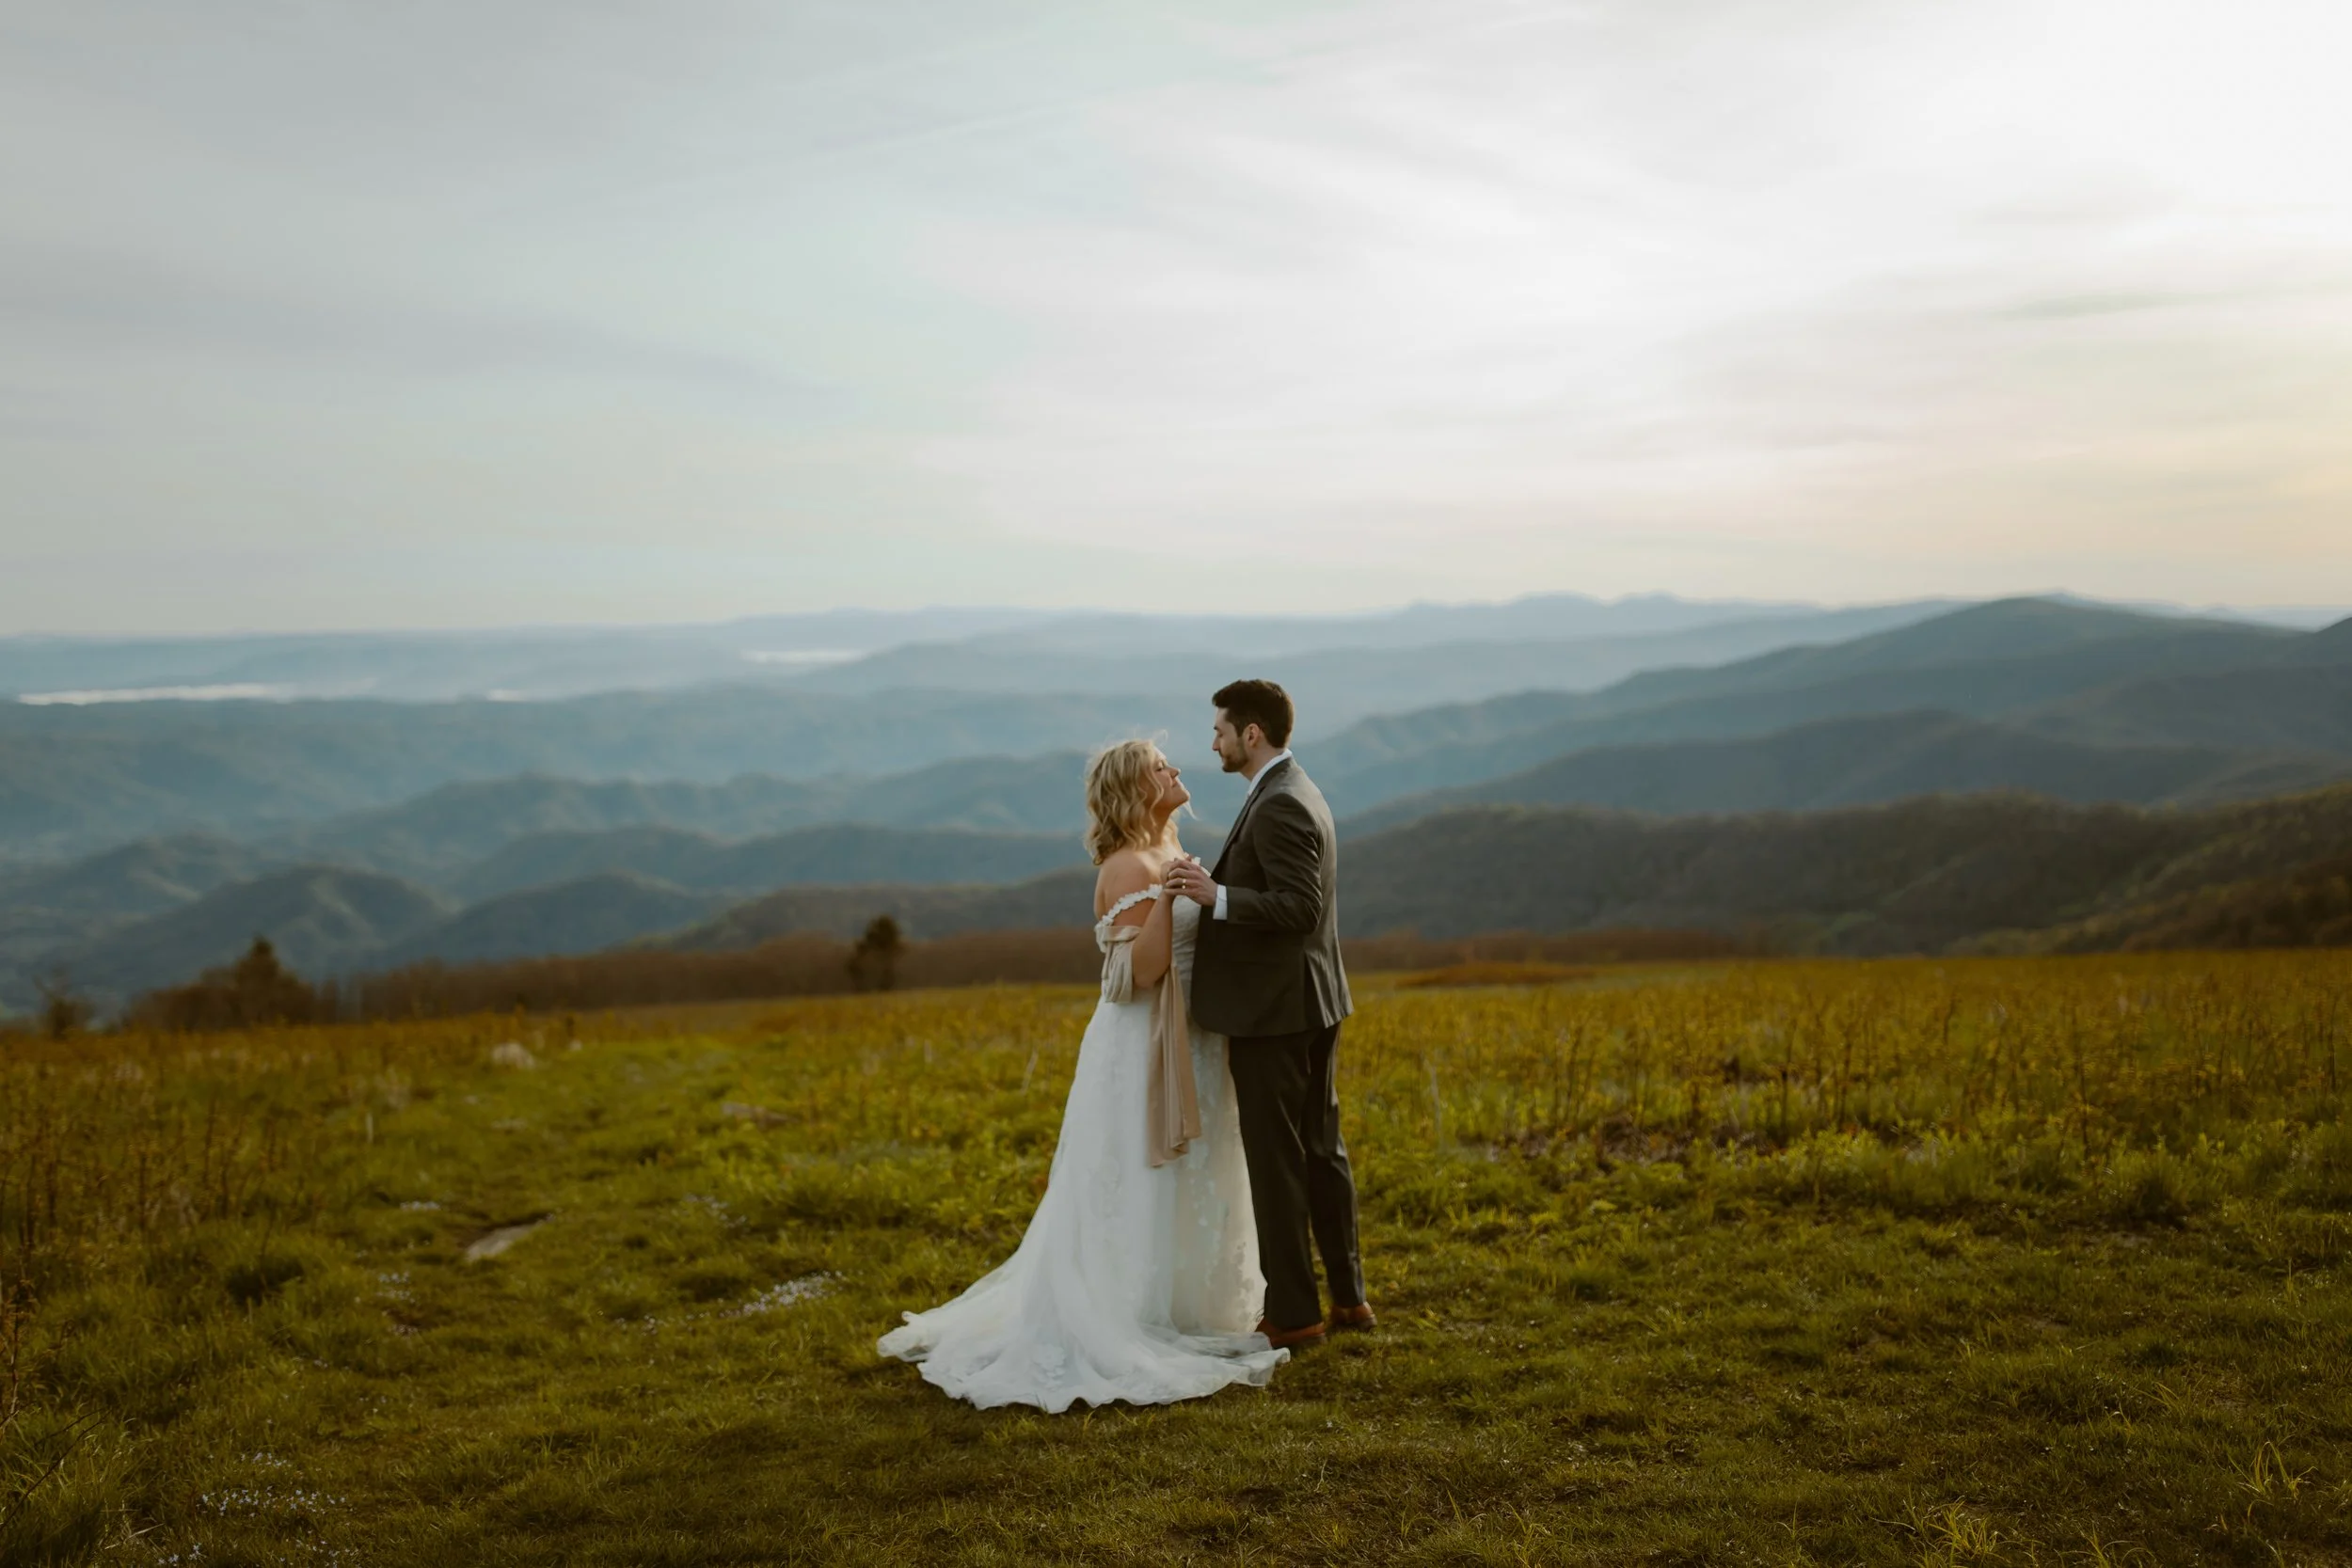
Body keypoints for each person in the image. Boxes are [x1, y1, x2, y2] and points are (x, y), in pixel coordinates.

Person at [877, 739, 1284, 1410]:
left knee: (1197, 1169)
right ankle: (1128, 1309)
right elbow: (1134, 975)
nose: (1177, 771)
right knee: (1136, 1171)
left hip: (1193, 1037)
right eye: (1161, 767)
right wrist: (1169, 899)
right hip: (1143, 1044)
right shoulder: (1127, 867)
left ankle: (1189, 1305)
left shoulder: (1168, 851)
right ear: (1133, 788)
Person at [1166, 678, 1369, 1353]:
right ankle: (1349, 1297)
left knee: (1278, 1158)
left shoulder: (1280, 803)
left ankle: (1294, 1314)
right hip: (1313, 997)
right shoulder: (1294, 786)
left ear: (1252, 733)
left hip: (1276, 1012)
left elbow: (1298, 907)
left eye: (1220, 729)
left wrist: (1216, 894)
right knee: (1321, 1149)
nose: (1213, 740)